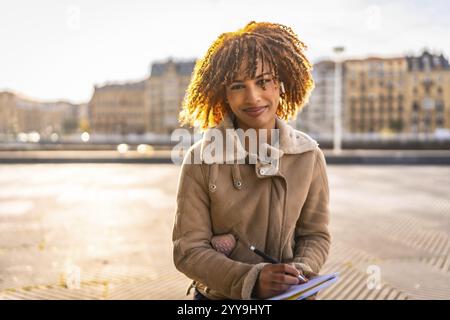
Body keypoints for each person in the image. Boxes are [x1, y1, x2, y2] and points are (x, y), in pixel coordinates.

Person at [172, 21, 331, 300]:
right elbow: (189, 250)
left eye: (263, 81)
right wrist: (251, 280)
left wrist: (299, 273)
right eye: (238, 86)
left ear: (281, 85)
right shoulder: (200, 159)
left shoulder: (309, 155)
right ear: (225, 96)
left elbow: (315, 235)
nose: (253, 97)